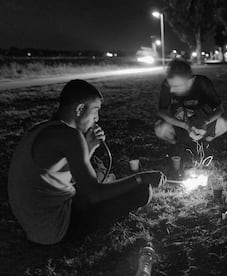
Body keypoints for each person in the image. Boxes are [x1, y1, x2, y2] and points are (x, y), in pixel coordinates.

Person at [8, 79, 165, 245]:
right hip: (56, 229)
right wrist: (141, 177)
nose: (97, 118)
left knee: (103, 176)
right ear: (80, 109)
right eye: (95, 110)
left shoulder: (43, 128)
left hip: (36, 226)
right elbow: (94, 194)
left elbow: (72, 179)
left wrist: (89, 147)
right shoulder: (70, 136)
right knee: (141, 191)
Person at [154, 59, 227, 145]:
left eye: (176, 86)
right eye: (170, 86)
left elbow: (219, 109)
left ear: (189, 81)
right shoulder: (167, 84)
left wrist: (205, 122)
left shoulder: (202, 83)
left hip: (203, 123)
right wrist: (186, 126)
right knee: (160, 128)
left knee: (224, 123)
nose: (171, 90)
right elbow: (162, 111)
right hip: (180, 124)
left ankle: (207, 141)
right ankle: (177, 144)